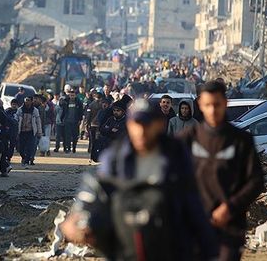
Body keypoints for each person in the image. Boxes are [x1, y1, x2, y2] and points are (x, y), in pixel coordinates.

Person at [61, 99, 218, 261]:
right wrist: (81, 217)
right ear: (129, 125)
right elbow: (94, 188)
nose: (141, 131)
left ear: (159, 125)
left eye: (147, 124)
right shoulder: (116, 157)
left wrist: (209, 247)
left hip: (170, 242)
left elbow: (193, 202)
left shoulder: (176, 155)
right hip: (126, 243)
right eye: (137, 124)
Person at [179, 81, 264, 261]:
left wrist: (230, 208)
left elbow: (256, 181)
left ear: (225, 103)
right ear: (200, 105)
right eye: (207, 105)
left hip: (230, 226)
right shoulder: (187, 139)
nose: (212, 110)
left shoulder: (241, 140)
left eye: (216, 104)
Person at [16, 96, 42, 166]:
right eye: (26, 100)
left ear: (31, 101)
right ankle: (23, 158)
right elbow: (16, 120)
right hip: (22, 132)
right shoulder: (20, 110)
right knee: (21, 148)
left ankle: (27, 161)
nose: (27, 102)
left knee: (30, 147)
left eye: (28, 100)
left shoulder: (35, 110)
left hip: (31, 132)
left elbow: (38, 122)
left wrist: (39, 132)